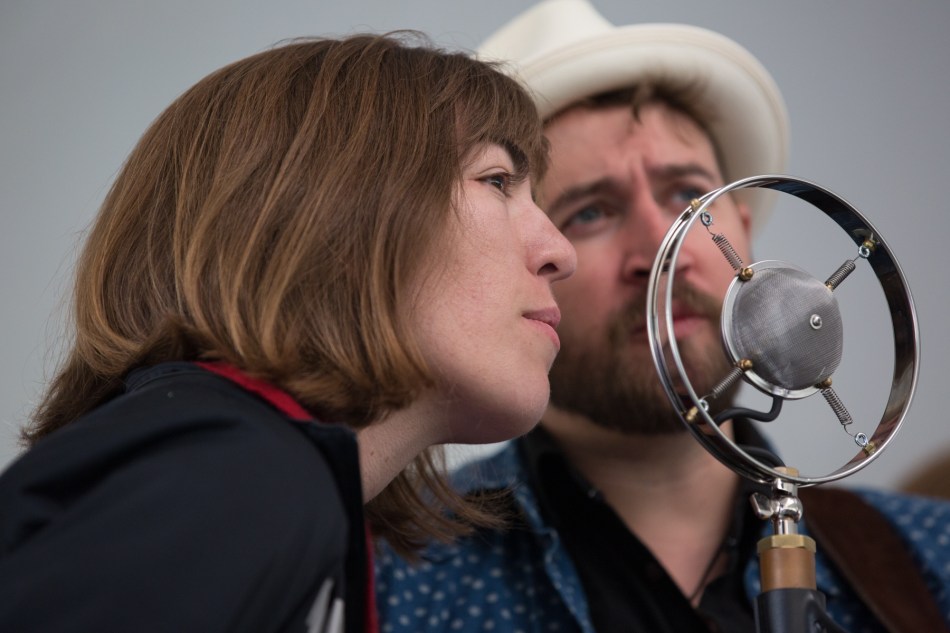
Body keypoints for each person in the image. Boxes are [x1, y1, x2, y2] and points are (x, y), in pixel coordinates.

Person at [374, 2, 950, 632]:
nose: (660, 249)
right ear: (526, 258)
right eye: (590, 212)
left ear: (745, 228)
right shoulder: (389, 567)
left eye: (689, 198)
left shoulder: (928, 560)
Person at [0, 33, 576, 632]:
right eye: (496, 181)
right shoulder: (234, 474)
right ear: (334, 211)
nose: (560, 251)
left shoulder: (245, 474)